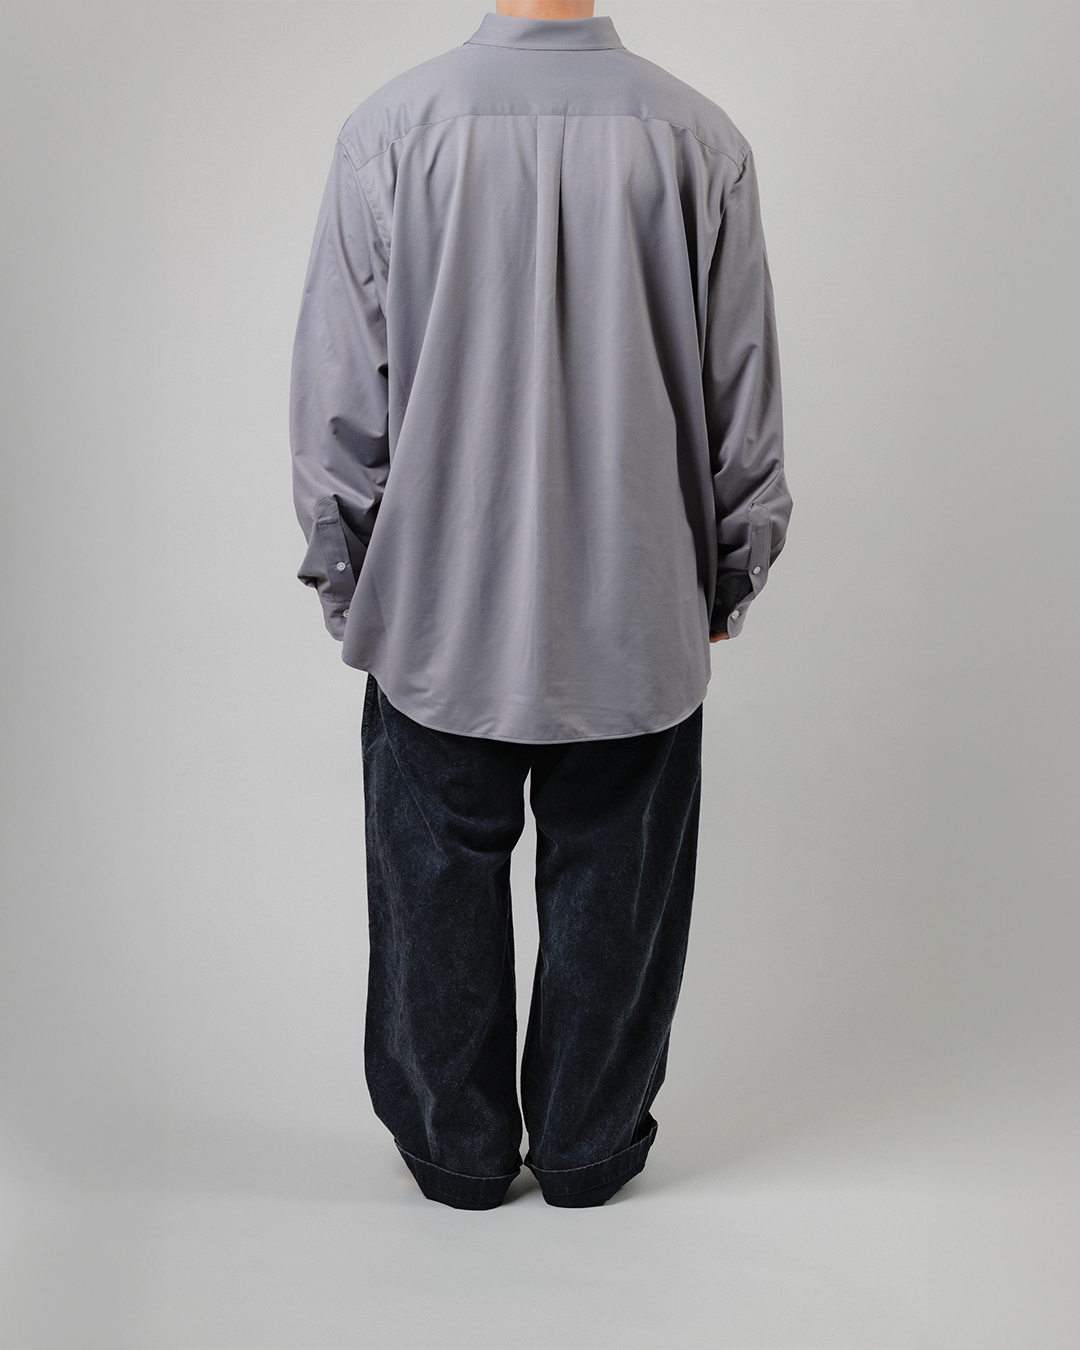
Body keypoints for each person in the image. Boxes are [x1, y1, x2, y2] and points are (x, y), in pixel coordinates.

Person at [289, 1, 792, 1209]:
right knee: (618, 884)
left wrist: (349, 576)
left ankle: (454, 1156)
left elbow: (338, 398)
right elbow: (744, 396)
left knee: (433, 889)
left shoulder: (391, 131)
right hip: (637, 606)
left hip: (437, 610)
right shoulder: (698, 138)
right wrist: (731, 568)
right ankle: (586, 1147)